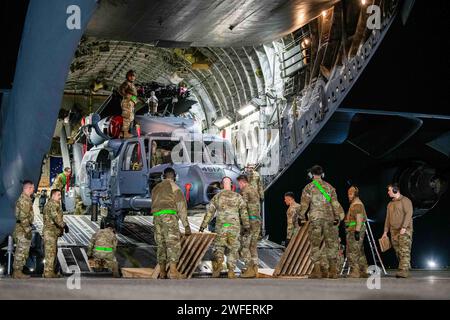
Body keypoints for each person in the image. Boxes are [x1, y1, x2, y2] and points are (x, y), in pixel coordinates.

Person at [298, 165, 344, 279]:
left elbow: (304, 204)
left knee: (315, 245)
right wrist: (337, 216)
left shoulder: (309, 187)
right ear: (322, 174)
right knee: (331, 244)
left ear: (311, 174)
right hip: (329, 219)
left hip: (315, 219)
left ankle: (317, 271)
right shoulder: (330, 187)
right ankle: (333, 271)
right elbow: (335, 203)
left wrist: (301, 216)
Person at [199, 176, 250, 279]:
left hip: (221, 226)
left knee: (219, 247)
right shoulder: (238, 196)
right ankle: (231, 271)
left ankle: (217, 269)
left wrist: (203, 226)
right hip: (234, 227)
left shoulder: (217, 197)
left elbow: (210, 212)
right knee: (233, 249)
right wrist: (246, 226)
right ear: (232, 185)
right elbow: (244, 213)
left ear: (221, 185)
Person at [151, 167, 191, 279]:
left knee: (161, 244)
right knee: (173, 244)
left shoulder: (155, 188)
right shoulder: (175, 188)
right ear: (175, 177)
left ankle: (163, 272)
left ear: (163, 177)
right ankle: (173, 272)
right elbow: (181, 208)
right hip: (169, 217)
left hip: (156, 218)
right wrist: (186, 226)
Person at [382, 183, 413, 278]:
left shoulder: (405, 200)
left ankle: (404, 271)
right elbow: (387, 218)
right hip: (393, 231)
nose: (388, 192)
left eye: (389, 190)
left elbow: (409, 213)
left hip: (404, 230)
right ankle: (405, 266)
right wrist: (385, 232)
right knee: (398, 251)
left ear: (395, 190)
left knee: (404, 250)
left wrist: (404, 227)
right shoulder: (390, 204)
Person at [237, 174, 260, 278]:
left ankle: (249, 269)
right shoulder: (254, 190)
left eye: (239, 184)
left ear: (242, 182)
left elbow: (243, 207)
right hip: (257, 221)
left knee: (245, 246)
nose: (239, 186)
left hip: (250, 222)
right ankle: (255, 269)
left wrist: (243, 223)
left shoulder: (245, 190)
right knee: (253, 246)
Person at [43, 189, 69, 278]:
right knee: (50, 252)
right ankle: (48, 272)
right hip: (50, 232)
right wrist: (63, 225)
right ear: (53, 195)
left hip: (52, 232)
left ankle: (51, 271)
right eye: (58, 195)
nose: (60, 197)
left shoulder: (53, 204)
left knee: (53, 252)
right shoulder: (52, 204)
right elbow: (55, 217)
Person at [12, 180, 35, 279]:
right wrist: (28, 229)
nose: (33, 190)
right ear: (28, 188)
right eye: (32, 188)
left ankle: (18, 271)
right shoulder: (24, 200)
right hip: (22, 229)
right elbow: (23, 217)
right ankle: (17, 272)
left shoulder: (26, 199)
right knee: (21, 250)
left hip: (22, 228)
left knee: (23, 250)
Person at [344, 186, 369, 278]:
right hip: (353, 229)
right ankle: (364, 270)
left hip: (355, 230)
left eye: (350, 194)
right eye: (348, 194)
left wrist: (357, 231)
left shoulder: (357, 204)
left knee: (352, 251)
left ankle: (355, 271)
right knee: (360, 251)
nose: (349, 196)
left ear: (355, 194)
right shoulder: (354, 203)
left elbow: (359, 219)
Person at [119, 70, 138, 138]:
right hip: (127, 102)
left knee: (130, 118)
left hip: (131, 102)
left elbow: (134, 94)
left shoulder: (131, 84)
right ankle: (125, 134)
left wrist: (134, 100)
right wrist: (127, 96)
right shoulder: (126, 83)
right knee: (127, 118)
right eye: (131, 75)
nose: (132, 77)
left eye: (133, 76)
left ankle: (123, 133)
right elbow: (121, 90)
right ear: (128, 76)